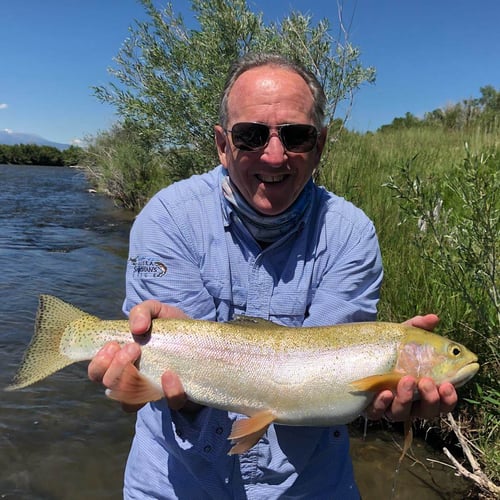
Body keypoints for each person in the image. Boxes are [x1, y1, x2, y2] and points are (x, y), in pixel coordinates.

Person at [88, 53, 457, 499]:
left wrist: (381, 395)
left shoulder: (350, 233)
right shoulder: (168, 218)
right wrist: (137, 380)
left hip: (309, 486)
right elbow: (169, 385)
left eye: (296, 135)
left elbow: (316, 383)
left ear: (319, 145)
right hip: (174, 483)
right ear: (223, 145)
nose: (275, 154)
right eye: (251, 135)